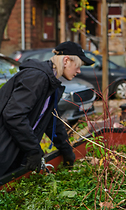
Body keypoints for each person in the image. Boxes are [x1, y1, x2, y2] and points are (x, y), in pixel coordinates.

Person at [0, 41, 94, 176]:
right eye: (78, 66)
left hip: (14, 149)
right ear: (66, 61)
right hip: (4, 146)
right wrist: (33, 149)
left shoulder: (51, 84)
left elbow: (51, 121)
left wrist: (66, 149)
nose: (79, 71)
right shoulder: (36, 77)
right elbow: (13, 115)